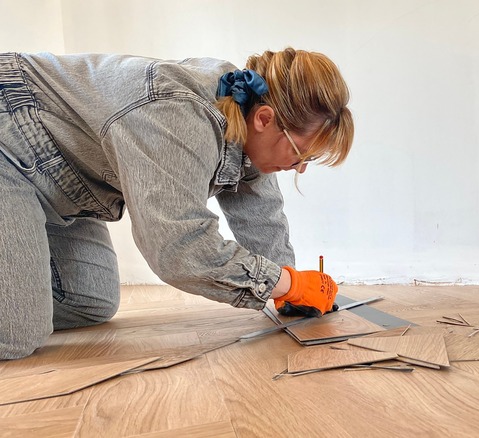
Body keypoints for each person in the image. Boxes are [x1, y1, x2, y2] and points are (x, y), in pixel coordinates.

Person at [0, 48, 353, 360]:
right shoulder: (180, 116)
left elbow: (262, 215)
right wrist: (284, 282)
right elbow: (178, 248)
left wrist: (290, 291)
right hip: (9, 143)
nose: (301, 168)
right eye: (300, 154)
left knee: (88, 301)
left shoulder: (243, 110)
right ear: (265, 120)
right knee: (18, 334)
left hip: (60, 183)